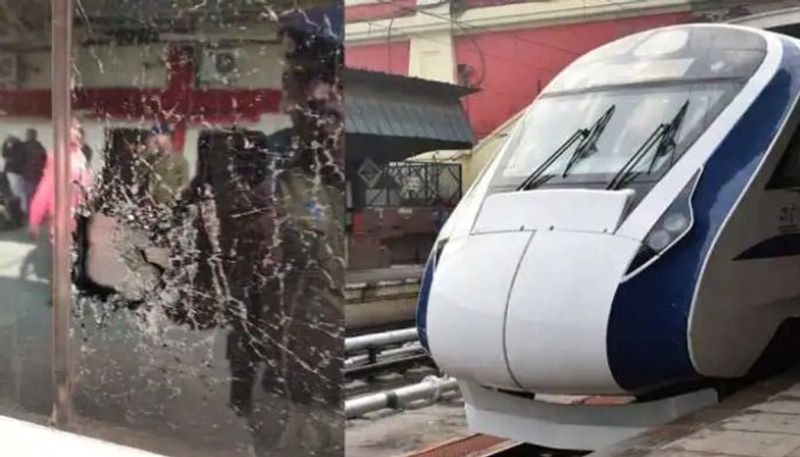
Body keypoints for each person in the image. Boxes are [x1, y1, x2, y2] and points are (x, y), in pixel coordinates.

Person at [28, 119, 91, 240]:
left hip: (79, 218)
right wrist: (35, 221)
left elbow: (85, 185)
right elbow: (45, 189)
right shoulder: (57, 156)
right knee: (64, 254)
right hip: (62, 219)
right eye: (74, 129)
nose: (78, 133)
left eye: (79, 130)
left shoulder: (80, 155)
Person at [21, 128, 46, 212]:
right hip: (38, 174)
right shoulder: (39, 146)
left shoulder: (24, 146)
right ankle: (37, 212)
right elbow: (44, 159)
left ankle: (30, 213)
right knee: (36, 195)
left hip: (27, 175)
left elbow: (19, 160)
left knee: (28, 195)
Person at [2, 136, 25, 214]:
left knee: (14, 192)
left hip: (12, 172)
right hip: (20, 172)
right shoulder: (22, 148)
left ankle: (16, 211)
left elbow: (5, 155)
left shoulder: (11, 150)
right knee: (20, 192)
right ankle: (21, 210)